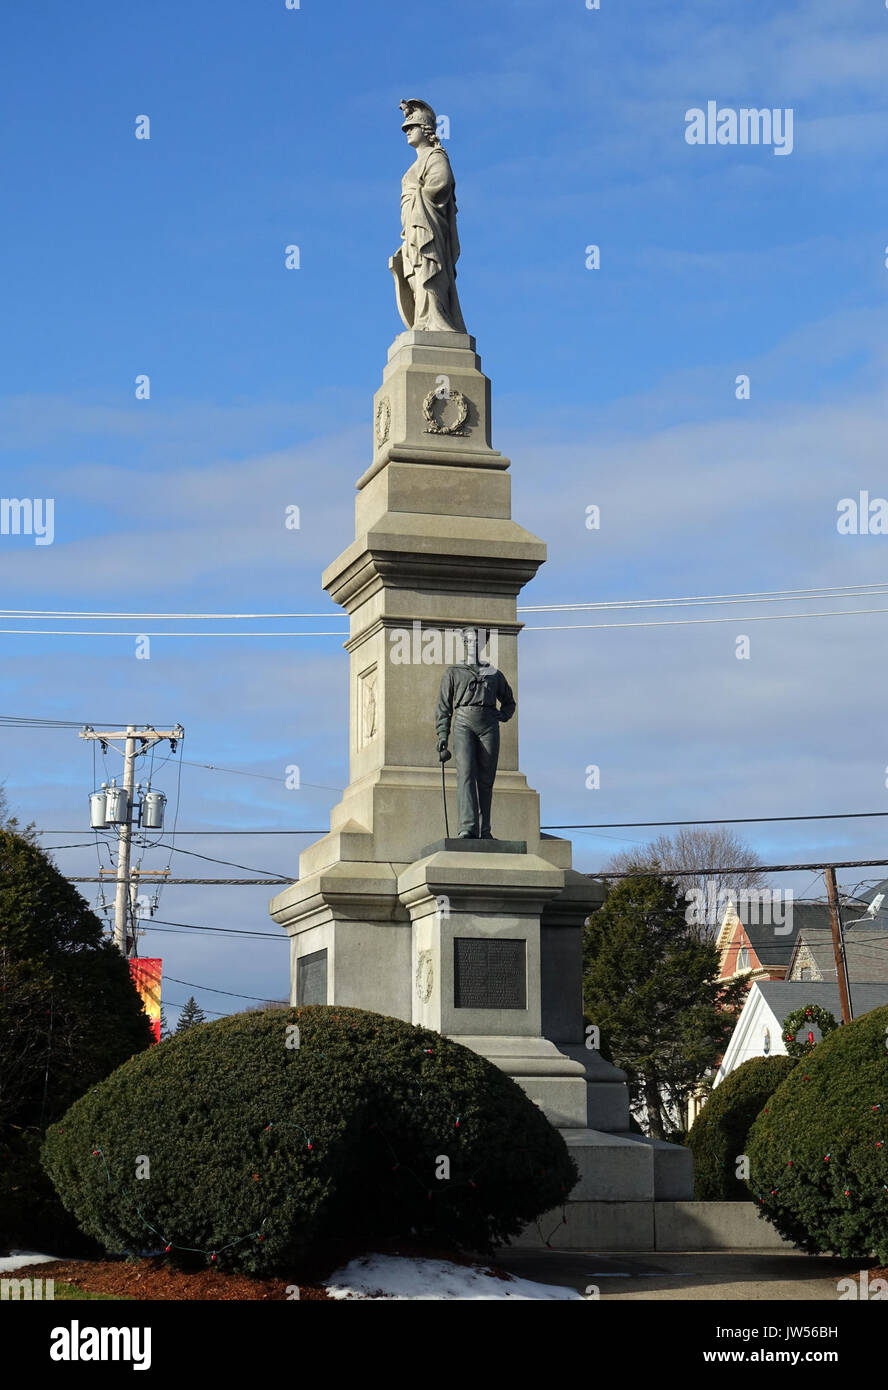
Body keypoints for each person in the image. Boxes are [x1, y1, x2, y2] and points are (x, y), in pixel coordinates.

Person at [391, 98, 467, 333]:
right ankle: (422, 320)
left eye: (411, 127)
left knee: (429, 270)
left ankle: (435, 318)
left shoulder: (436, 156)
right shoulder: (413, 165)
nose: (407, 132)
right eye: (406, 128)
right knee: (415, 273)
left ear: (425, 130)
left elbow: (441, 184)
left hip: (429, 227)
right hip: (412, 229)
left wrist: (418, 197)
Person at [435, 629, 515, 839]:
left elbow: (509, 701)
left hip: (488, 725)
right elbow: (444, 707)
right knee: (466, 774)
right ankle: (467, 828)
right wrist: (443, 734)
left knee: (486, 779)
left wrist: (502, 715)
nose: (473, 644)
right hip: (463, 724)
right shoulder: (453, 672)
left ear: (484, 644)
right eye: (469, 640)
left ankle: (485, 830)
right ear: (464, 642)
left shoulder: (494, 674)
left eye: (477, 641)